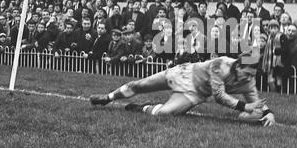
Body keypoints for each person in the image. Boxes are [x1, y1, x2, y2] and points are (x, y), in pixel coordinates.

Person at [89, 53, 276, 127]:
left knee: (164, 114)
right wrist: (245, 108)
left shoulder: (248, 81)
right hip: (184, 73)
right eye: (247, 73)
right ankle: (108, 97)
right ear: (238, 65)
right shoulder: (222, 64)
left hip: (195, 94)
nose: (249, 79)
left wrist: (267, 113)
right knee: (140, 84)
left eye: (252, 75)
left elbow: (255, 99)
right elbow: (219, 96)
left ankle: (142, 107)